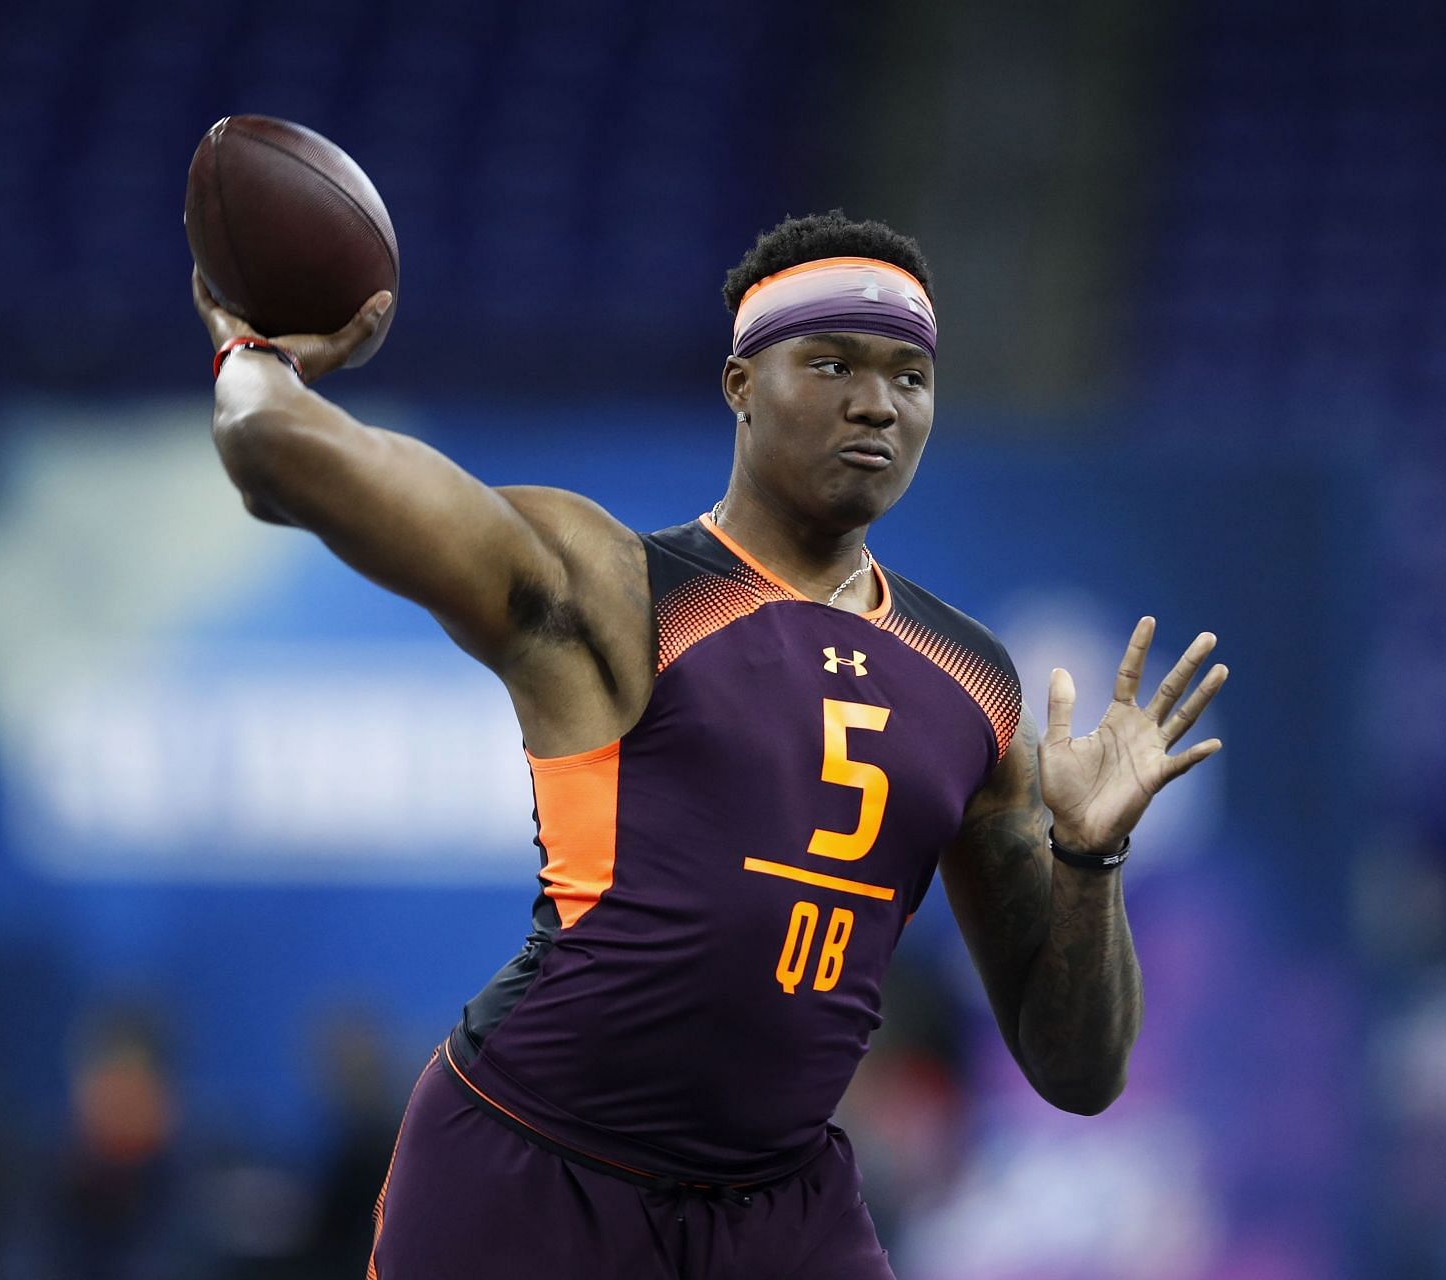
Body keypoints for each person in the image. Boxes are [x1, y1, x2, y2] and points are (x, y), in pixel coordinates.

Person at [192, 212, 1228, 1279]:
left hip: (778, 1207)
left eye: (910, 376)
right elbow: (277, 458)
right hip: (536, 1168)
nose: (877, 400)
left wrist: (1090, 859)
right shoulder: (611, 584)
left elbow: (1080, 1071)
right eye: (832, 362)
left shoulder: (969, 680)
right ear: (740, 383)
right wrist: (254, 359)